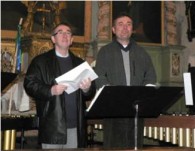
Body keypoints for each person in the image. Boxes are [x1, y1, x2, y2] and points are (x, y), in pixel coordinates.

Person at [24, 22, 96, 149]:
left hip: (75, 125)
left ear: (72, 40)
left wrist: (87, 89)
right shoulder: (40, 61)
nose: (65, 35)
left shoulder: (80, 64)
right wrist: (50, 90)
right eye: (60, 32)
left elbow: (91, 91)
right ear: (53, 38)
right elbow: (29, 84)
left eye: (68, 33)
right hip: (53, 125)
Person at [95, 12, 157, 148]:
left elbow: (151, 76)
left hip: (136, 111)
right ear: (113, 30)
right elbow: (99, 76)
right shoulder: (105, 52)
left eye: (128, 24)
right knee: (114, 147)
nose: (125, 27)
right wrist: (113, 96)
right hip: (113, 110)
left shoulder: (142, 53)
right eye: (120, 24)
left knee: (135, 146)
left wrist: (144, 97)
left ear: (132, 29)